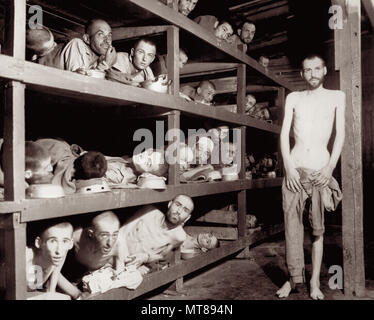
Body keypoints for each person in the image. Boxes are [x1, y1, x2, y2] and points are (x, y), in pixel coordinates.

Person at [276, 54, 345, 300]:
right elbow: (284, 134)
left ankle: (314, 282)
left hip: (319, 170)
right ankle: (292, 280)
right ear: (303, 74)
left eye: (317, 69)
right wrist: (288, 167)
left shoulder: (337, 97)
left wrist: (329, 169)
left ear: (325, 70)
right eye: (307, 70)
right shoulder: (294, 98)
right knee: (292, 228)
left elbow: (340, 136)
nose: (312, 74)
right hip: (295, 169)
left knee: (317, 230)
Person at [117, 195, 194, 271]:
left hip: (135, 266)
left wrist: (146, 258)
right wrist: (123, 262)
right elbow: (122, 233)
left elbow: (161, 255)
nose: (179, 211)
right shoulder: (149, 211)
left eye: (185, 210)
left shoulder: (179, 236)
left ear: (187, 218)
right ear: (170, 204)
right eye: (177, 205)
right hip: (118, 254)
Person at [27, 20, 117, 73]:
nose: (107, 40)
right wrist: (106, 65)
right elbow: (80, 84)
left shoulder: (102, 57)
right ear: (87, 39)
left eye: (109, 35)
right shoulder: (77, 44)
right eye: (100, 35)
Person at [62, 211, 121, 287]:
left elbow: (119, 272)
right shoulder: (75, 237)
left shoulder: (119, 243)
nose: (110, 243)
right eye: (104, 235)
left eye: (115, 235)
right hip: (72, 270)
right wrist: (75, 292)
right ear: (91, 234)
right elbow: (55, 268)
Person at [26, 220, 73, 295]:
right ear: (38, 243)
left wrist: (78, 294)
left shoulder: (59, 255)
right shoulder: (26, 257)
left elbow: (51, 291)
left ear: (71, 244)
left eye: (65, 241)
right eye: (52, 241)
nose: (59, 250)